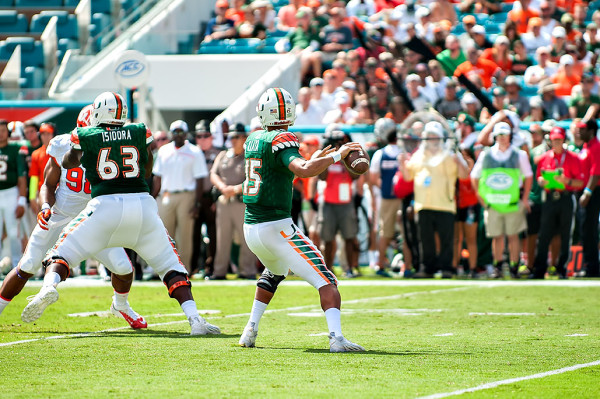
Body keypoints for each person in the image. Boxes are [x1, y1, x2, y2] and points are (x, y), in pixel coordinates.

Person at [21, 92, 220, 335]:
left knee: (60, 254)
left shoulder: (86, 134)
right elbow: (148, 162)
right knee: (170, 265)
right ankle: (195, 319)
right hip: (143, 206)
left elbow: (69, 162)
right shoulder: (140, 131)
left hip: (105, 206)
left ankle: (48, 287)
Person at [238, 87, 364, 352]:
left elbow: (280, 174)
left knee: (274, 272)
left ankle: (250, 329)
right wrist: (336, 156)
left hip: (251, 228)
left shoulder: (254, 138)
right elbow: (303, 170)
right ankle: (337, 339)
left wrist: (316, 160)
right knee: (326, 279)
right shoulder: (282, 138)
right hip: (276, 227)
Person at [0, 106, 146, 329]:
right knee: (28, 264)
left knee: (124, 268)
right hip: (60, 215)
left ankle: (120, 305)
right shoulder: (62, 145)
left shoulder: (108, 147)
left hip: (93, 218)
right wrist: (46, 206)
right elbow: (48, 184)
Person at [399, 121, 469, 278]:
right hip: (423, 204)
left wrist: (460, 162)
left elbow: (464, 175)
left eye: (434, 136)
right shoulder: (419, 156)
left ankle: (446, 268)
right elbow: (408, 176)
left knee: (446, 240)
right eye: (429, 136)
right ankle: (427, 268)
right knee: (425, 240)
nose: (431, 140)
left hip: (445, 204)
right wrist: (402, 164)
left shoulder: (449, 156)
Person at [471, 122, 533, 278]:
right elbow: (474, 176)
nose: (502, 138)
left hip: (512, 202)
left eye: (505, 135)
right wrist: (480, 197)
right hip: (493, 203)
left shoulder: (519, 154)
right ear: (495, 137)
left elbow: (528, 176)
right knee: (497, 237)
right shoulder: (486, 155)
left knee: (513, 236)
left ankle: (514, 266)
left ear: (510, 136)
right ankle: (497, 266)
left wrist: (525, 198)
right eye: (500, 135)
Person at [152, 120, 208, 273]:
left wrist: (197, 204)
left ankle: (184, 270)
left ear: (186, 134)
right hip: (166, 195)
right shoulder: (163, 151)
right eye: (175, 132)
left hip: (186, 195)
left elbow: (200, 180)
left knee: (185, 236)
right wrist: (152, 198)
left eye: (181, 132)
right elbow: (158, 178)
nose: (178, 135)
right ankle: (164, 270)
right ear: (171, 134)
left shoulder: (195, 151)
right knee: (164, 235)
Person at [531, 126, 584, 279]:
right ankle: (540, 269)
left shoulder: (573, 158)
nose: (556, 143)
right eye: (554, 140)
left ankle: (562, 268)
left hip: (566, 197)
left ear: (564, 140)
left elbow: (580, 183)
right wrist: (542, 181)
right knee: (545, 234)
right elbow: (539, 178)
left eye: (559, 140)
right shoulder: (544, 157)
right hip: (549, 198)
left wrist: (566, 180)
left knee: (565, 234)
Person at [209, 123, 257, 280]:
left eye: (236, 136)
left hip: (242, 201)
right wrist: (223, 187)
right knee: (222, 237)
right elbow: (213, 174)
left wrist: (234, 189)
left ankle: (247, 270)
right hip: (224, 201)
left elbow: (253, 178)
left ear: (244, 137)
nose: (233, 140)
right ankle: (219, 271)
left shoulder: (249, 156)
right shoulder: (223, 155)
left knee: (246, 237)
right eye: (231, 136)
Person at [370, 118, 402, 278]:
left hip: (396, 197)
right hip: (390, 197)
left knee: (393, 233)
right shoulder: (382, 154)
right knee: (386, 232)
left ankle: (383, 263)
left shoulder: (382, 154)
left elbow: (374, 178)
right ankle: (380, 263)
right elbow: (374, 178)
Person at [191, 120, 222, 277]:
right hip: (194, 197)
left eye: (206, 135)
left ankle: (211, 267)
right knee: (192, 234)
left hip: (211, 197)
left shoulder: (218, 153)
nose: (202, 139)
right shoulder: (191, 152)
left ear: (211, 137)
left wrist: (216, 198)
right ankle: (193, 266)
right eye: (199, 136)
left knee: (213, 234)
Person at [0, 119, 27, 271]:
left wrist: (21, 200)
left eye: (3, 130)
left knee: (12, 232)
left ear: (8, 132)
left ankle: (17, 264)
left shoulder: (16, 149)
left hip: (11, 192)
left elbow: (21, 177)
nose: (0, 133)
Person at [577, 118, 600, 277]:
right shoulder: (585, 146)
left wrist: (588, 192)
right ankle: (589, 264)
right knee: (585, 229)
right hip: (584, 190)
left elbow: (596, 172)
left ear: (591, 131)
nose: (579, 132)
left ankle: (592, 267)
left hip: (593, 191)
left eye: (583, 129)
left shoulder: (596, 147)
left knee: (589, 229)